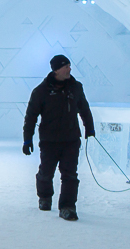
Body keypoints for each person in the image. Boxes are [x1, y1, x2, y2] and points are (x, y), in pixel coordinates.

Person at [22, 54, 95, 221]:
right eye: (66, 66)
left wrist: (89, 128)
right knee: (46, 173)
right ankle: (45, 197)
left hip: (71, 140)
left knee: (70, 175)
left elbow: (84, 109)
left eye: (69, 65)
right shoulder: (41, 92)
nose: (70, 69)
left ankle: (67, 207)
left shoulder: (76, 88)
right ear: (56, 70)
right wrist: (27, 139)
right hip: (49, 141)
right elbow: (31, 117)